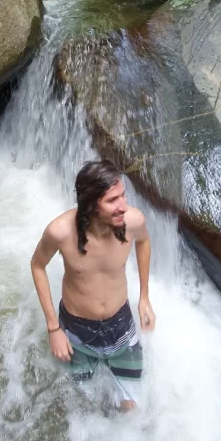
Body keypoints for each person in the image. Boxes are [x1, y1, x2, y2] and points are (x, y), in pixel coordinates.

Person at [30, 158, 155, 409]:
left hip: (121, 325)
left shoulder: (133, 221)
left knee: (132, 406)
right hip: (77, 330)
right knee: (86, 402)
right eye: (112, 200)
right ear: (90, 205)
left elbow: (144, 242)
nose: (123, 206)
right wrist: (53, 329)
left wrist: (144, 297)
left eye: (123, 196)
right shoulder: (60, 232)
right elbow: (37, 266)